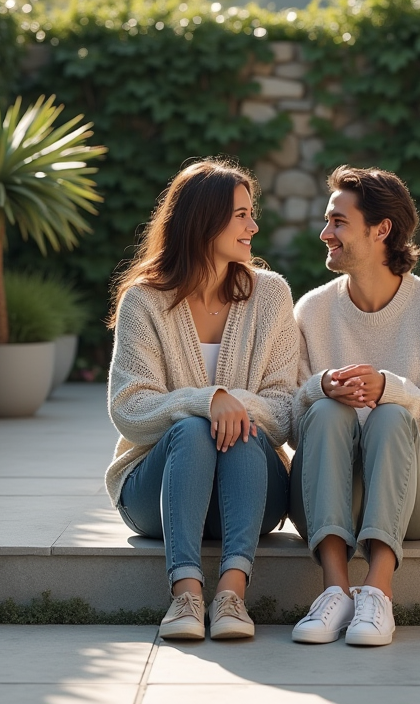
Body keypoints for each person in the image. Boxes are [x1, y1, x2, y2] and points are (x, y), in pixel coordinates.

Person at [106, 159, 298, 641]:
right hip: (159, 490)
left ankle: (232, 595)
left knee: (241, 430)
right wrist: (206, 400)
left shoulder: (270, 295)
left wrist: (232, 406)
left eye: (252, 214)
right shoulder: (144, 300)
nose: (253, 226)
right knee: (192, 427)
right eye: (241, 215)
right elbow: (129, 407)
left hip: (250, 489)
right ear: (203, 219)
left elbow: (284, 411)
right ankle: (186, 595)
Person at [289, 166, 420, 647]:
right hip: (330, 494)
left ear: (381, 229)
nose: (324, 232)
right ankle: (334, 590)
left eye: (338, 221)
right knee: (327, 410)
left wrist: (393, 389)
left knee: (393, 413)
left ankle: (378, 590)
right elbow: (288, 417)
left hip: (416, 499)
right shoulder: (311, 310)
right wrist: (321, 387)